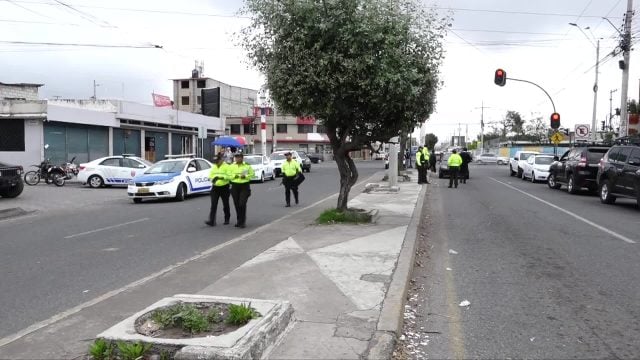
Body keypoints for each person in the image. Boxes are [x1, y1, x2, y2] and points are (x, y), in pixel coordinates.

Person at [228, 153, 254, 228]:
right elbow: (228, 175)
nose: (237, 159)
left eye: (239, 157)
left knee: (242, 203)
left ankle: (242, 221)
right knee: (236, 204)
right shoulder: (232, 166)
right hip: (235, 186)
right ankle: (239, 220)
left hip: (244, 186)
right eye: (236, 157)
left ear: (242, 158)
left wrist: (245, 176)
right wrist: (234, 176)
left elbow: (252, 174)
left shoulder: (247, 165)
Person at [205, 155, 231, 226]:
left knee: (225, 204)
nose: (216, 162)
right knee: (213, 205)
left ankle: (227, 218)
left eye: (217, 161)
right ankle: (212, 221)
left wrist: (221, 177)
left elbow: (229, 176)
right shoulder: (214, 166)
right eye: (215, 161)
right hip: (215, 188)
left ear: (221, 160)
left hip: (224, 187)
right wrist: (213, 179)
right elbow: (210, 176)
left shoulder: (227, 167)